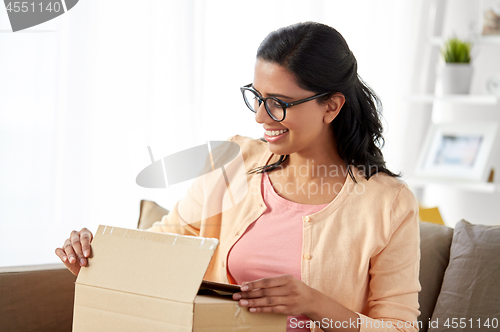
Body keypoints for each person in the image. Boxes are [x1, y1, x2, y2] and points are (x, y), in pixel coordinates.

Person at [55, 22, 421, 332]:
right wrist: (96, 260)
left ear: (331, 105)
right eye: (256, 96)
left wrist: (313, 303)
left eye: (278, 102)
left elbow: (400, 326)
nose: (261, 117)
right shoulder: (232, 162)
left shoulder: (388, 202)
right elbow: (164, 248)